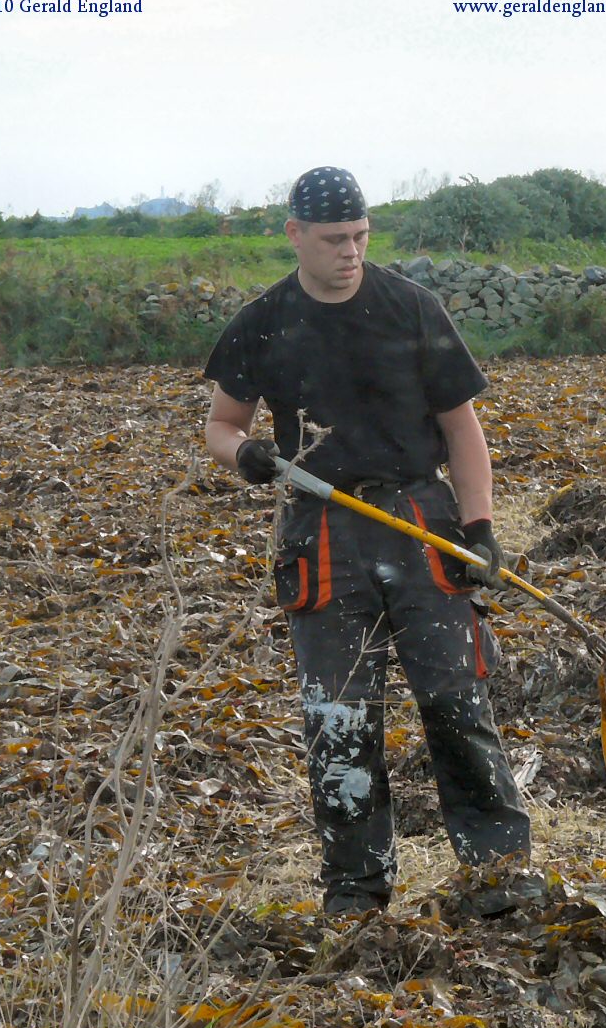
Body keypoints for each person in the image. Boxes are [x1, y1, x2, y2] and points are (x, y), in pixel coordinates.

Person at [203, 166, 530, 915]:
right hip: (320, 531)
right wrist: (243, 454)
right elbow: (221, 424)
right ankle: (356, 891)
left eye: (360, 236)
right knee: (339, 719)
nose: (350, 252)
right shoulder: (262, 322)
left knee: (456, 702)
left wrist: (480, 526)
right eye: (334, 239)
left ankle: (500, 875)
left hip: (419, 520)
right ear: (294, 235)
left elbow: (462, 430)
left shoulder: (412, 308)